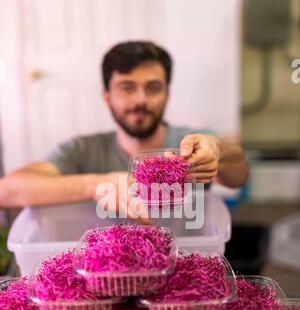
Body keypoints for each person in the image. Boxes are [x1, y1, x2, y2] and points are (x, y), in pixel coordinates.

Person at [0, 41, 249, 222]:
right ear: (107, 97)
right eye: (127, 88)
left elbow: (239, 174)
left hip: (186, 267)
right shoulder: (81, 150)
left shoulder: (189, 144)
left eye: (153, 87)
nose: (140, 100)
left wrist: (217, 151)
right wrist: (94, 185)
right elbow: (6, 191)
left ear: (167, 94)